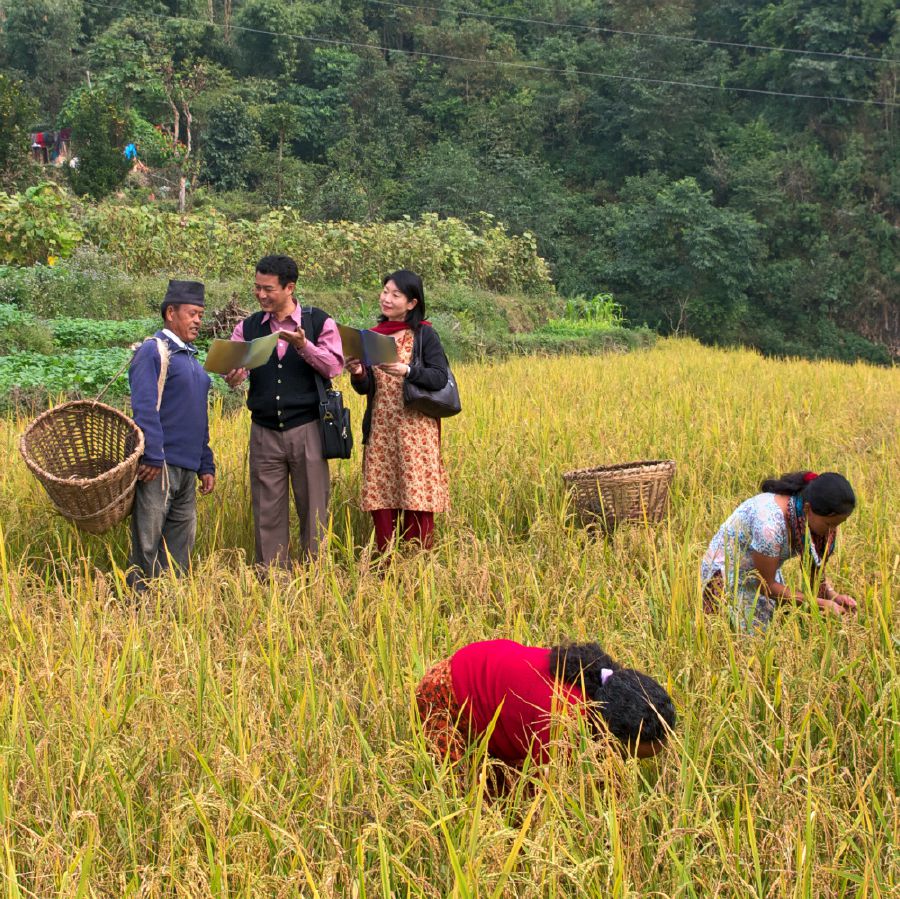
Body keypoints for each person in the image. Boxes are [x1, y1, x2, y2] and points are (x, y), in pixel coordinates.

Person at [224, 255, 344, 566]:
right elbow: (236, 369)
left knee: (314, 509)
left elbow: (334, 366)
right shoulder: (248, 327)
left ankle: (316, 579)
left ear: (290, 288)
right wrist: (234, 375)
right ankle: (273, 582)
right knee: (267, 511)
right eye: (256, 288)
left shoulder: (319, 322)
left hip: (308, 430)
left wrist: (304, 346)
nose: (261, 295)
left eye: (268, 289)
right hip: (264, 430)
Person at [415, 639, 675, 779]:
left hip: (476, 666)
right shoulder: (564, 724)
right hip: (444, 696)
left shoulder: (599, 683)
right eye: (627, 755)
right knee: (478, 800)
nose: (623, 763)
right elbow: (543, 804)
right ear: (608, 731)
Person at [346, 270, 450, 552]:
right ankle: (386, 563)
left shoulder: (424, 334)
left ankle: (417, 566)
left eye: (395, 294)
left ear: (412, 303)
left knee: (416, 497)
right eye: (384, 291)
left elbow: (440, 377)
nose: (386, 298)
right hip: (381, 428)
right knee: (382, 497)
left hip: (417, 431)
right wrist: (357, 373)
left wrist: (407, 370)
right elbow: (368, 387)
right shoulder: (373, 336)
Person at [127, 279, 215, 590]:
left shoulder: (192, 361)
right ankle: (138, 605)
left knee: (181, 542)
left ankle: (169, 605)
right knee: (147, 541)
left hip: (187, 467)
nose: (197, 321)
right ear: (170, 313)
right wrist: (152, 453)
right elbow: (144, 406)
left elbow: (199, 418)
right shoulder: (153, 351)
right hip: (159, 467)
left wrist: (206, 463)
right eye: (192, 313)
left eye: (201, 315)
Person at [701, 471, 857, 632]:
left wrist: (832, 596)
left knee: (771, 634)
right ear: (808, 508)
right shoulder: (769, 526)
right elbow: (766, 586)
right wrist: (820, 604)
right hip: (729, 575)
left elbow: (815, 571)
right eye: (829, 524)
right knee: (738, 641)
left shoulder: (807, 517)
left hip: (763, 571)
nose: (832, 530)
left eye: (839, 523)